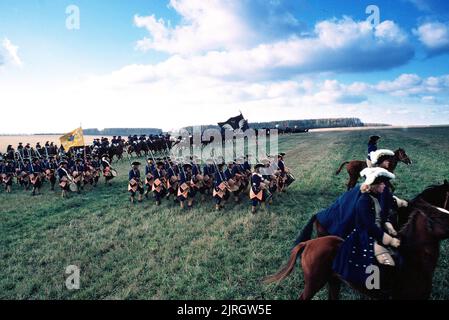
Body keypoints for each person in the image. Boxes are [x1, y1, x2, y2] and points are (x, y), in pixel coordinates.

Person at [332, 167, 401, 297]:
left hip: (376, 233)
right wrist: (389, 239)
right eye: (381, 183)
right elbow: (369, 226)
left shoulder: (375, 197)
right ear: (373, 185)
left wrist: (388, 225)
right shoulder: (363, 201)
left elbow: (379, 217)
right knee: (387, 262)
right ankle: (377, 290)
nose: (384, 186)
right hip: (366, 237)